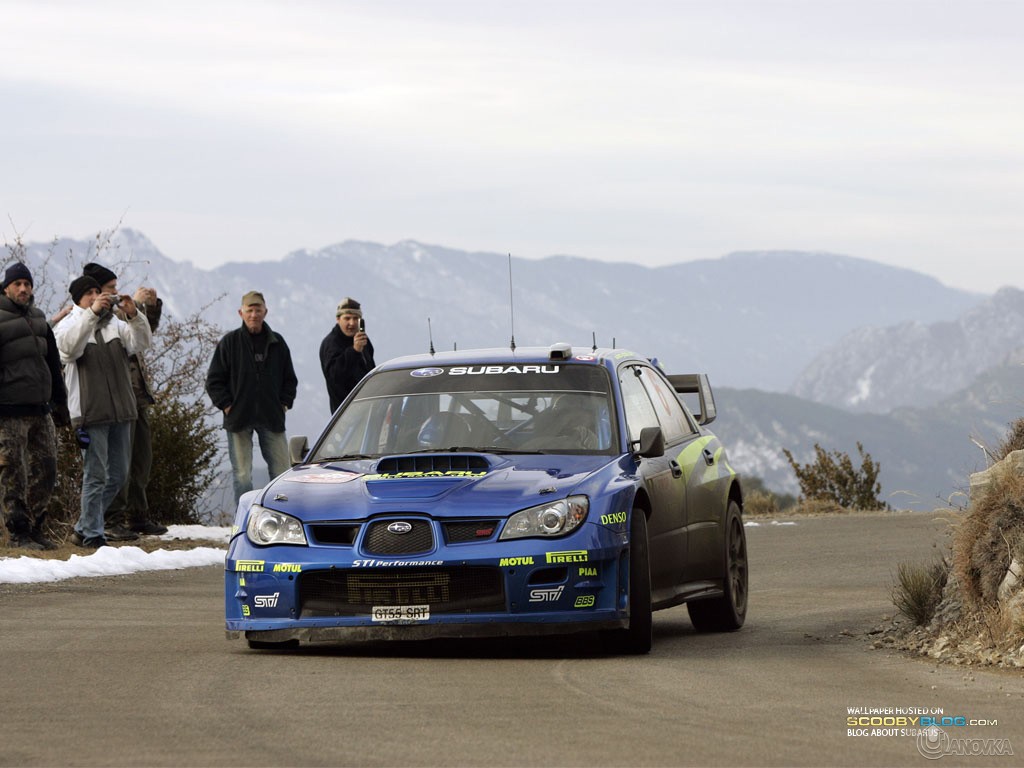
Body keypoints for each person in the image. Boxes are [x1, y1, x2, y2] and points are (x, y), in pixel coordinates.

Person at [54, 274, 152, 548]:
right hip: (89, 413)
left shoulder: (115, 325)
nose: (99, 297)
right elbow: (69, 349)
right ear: (79, 299)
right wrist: (92, 314)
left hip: (122, 410)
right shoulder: (68, 325)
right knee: (95, 474)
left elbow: (141, 343)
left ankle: (84, 526)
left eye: (100, 292)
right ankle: (93, 535)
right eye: (91, 294)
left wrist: (134, 315)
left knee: (119, 476)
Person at [81, 262, 167, 539]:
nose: (117, 293)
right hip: (112, 400)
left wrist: (148, 308)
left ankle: (137, 514)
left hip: (136, 395)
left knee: (141, 460)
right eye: (111, 289)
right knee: (116, 465)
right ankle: (111, 518)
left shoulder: (121, 315)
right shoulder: (96, 320)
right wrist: (136, 307)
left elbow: (144, 335)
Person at [0, 263, 68, 550]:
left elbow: (52, 362)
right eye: (18, 284)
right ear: (6, 287)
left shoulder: (39, 319)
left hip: (41, 409)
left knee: (47, 468)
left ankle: (35, 526)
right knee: (13, 472)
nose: (24, 289)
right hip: (9, 410)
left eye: (27, 284)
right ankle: (18, 533)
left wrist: (60, 404)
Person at [206, 291, 297, 505]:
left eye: (258, 310)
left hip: (272, 416)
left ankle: (282, 516)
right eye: (250, 310)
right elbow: (213, 380)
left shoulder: (277, 343)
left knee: (282, 472)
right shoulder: (229, 342)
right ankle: (243, 520)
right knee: (242, 475)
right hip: (238, 418)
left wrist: (284, 403)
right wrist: (227, 405)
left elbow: (289, 379)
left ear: (265, 312)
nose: (254, 315)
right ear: (241, 313)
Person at [320, 297, 375, 413]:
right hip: (346, 412)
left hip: (369, 406)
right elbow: (335, 376)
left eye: (356, 318)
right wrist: (354, 351)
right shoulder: (331, 343)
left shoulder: (363, 340)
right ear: (338, 319)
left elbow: (370, 370)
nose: (352, 323)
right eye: (347, 318)